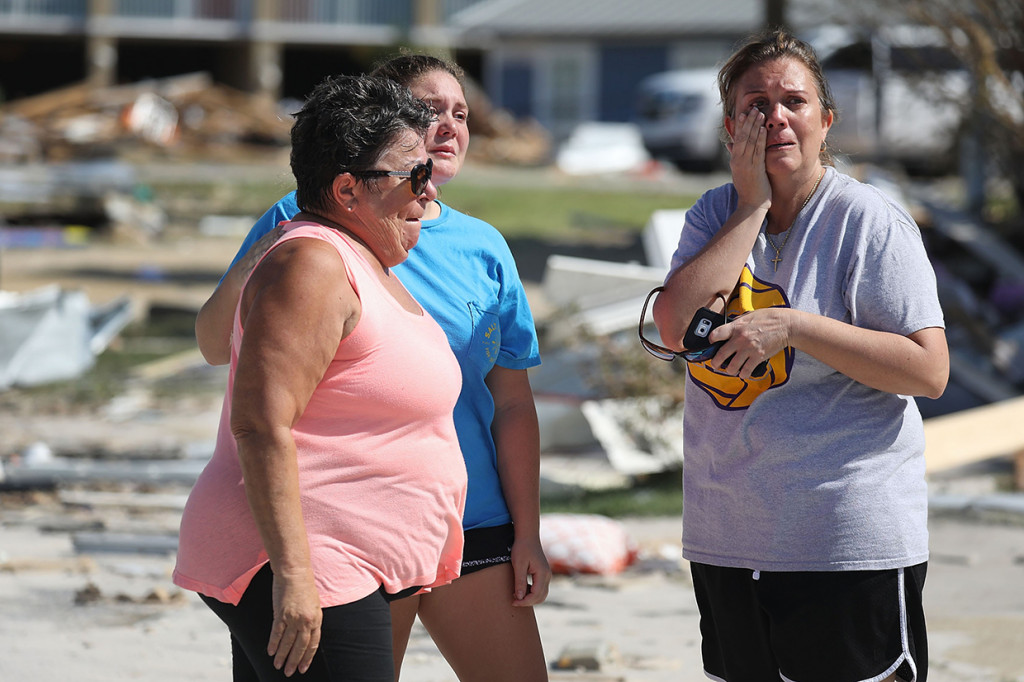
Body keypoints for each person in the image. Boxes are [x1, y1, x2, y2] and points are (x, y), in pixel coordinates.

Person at [194, 54, 550, 682]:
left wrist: (528, 531)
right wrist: (294, 573)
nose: (447, 127)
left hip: (448, 523)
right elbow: (249, 400)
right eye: (427, 111)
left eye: (461, 112)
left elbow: (513, 402)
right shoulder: (314, 242)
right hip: (340, 539)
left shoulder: (456, 244)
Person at [645, 30, 949, 682]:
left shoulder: (867, 222)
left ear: (825, 121)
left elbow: (928, 370)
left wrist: (795, 328)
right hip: (729, 536)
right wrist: (752, 204)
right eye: (756, 105)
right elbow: (672, 328)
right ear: (732, 128)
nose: (776, 117)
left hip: (842, 539)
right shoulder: (714, 214)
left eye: (794, 101)